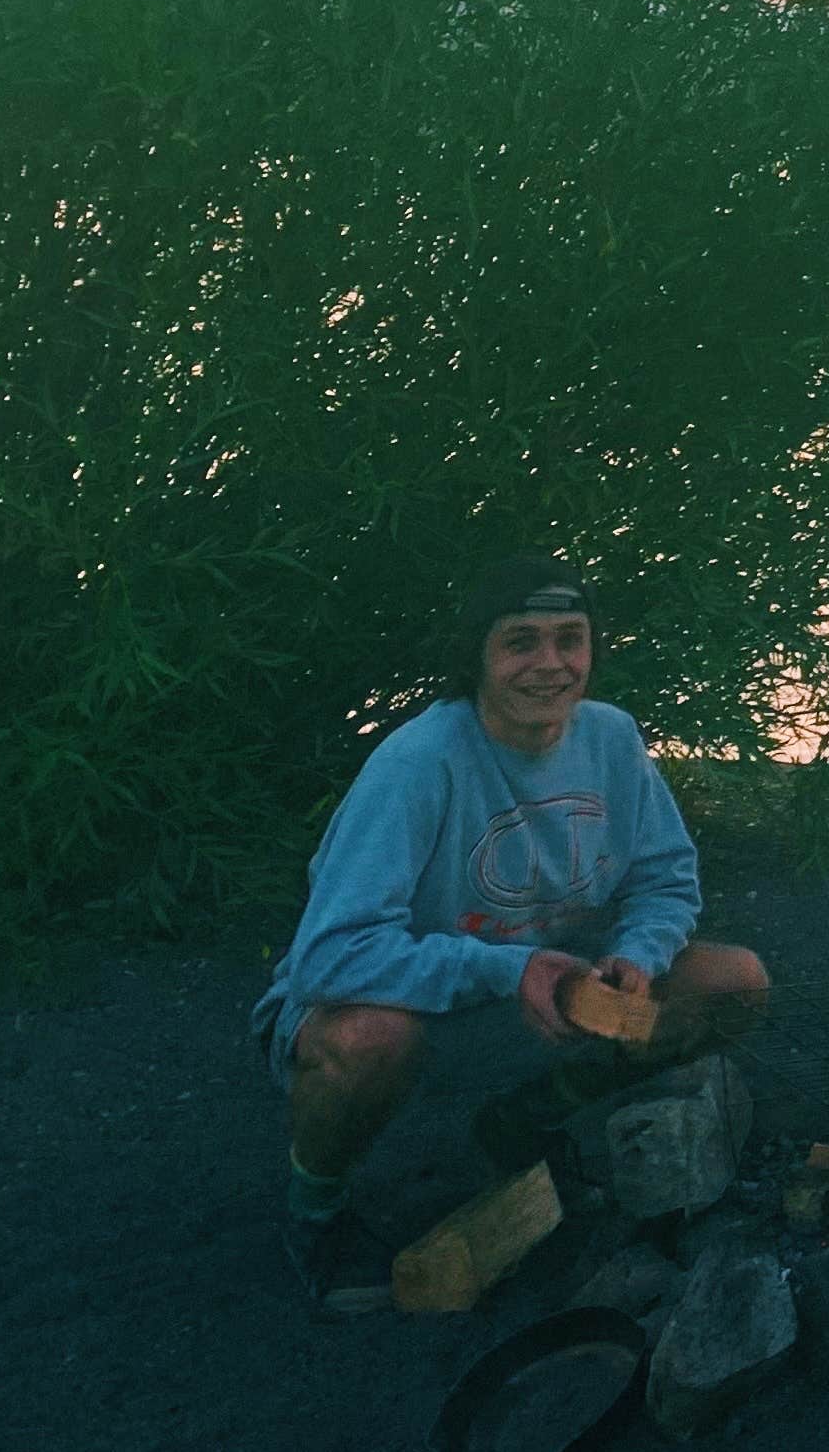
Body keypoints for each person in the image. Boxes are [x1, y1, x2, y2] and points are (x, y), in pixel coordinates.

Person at [255, 554, 769, 1312]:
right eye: (521, 641)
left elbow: (665, 880)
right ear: (478, 656)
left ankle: (526, 1120)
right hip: (408, 998)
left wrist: (636, 957)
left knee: (735, 984)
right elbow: (329, 958)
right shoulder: (420, 763)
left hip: (552, 987)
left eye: (571, 638)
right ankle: (316, 1213)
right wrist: (509, 969)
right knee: (366, 1042)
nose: (551, 664)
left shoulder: (613, 740)